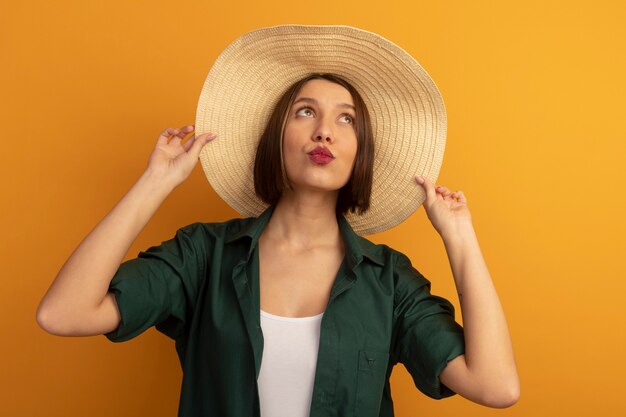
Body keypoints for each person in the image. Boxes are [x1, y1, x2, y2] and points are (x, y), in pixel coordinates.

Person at [36, 25, 519, 417]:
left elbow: (495, 387)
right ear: (277, 137)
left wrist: (459, 237)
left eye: (346, 119)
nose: (324, 130)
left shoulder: (390, 281)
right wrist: (155, 182)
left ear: (360, 153)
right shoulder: (203, 255)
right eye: (305, 112)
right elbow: (64, 313)